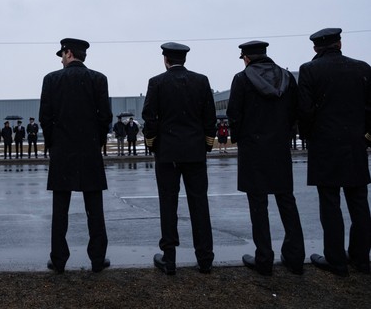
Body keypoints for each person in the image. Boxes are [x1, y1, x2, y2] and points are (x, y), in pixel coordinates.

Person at [227, 40, 305, 276]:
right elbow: (295, 112)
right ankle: (295, 257)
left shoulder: (242, 79)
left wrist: (242, 138)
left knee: (258, 205)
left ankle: (264, 258)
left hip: (253, 148)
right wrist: (285, 135)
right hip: (279, 147)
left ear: (246, 58)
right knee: (287, 201)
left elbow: (234, 115)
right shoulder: (286, 77)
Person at [298, 28, 371, 276]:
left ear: (316, 48)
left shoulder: (309, 70)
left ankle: (336, 260)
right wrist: (366, 137)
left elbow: (305, 112)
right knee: (359, 203)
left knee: (330, 205)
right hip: (356, 144)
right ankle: (361, 258)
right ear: (340, 43)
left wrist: (309, 136)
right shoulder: (362, 68)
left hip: (325, 145)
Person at [142, 42, 216, 275]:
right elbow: (210, 117)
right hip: (195, 152)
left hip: (167, 152)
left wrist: (153, 143)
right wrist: (205, 145)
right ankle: (205, 258)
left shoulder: (157, 83)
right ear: (184, 60)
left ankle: (170, 258)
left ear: (165, 59)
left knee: (168, 204)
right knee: (199, 204)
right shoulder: (201, 81)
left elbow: (149, 118)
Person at [39, 38, 112, 273]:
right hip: (89, 150)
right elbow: (105, 118)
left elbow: (45, 117)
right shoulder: (99, 79)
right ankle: (97, 259)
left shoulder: (51, 80)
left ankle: (59, 259)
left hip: (62, 151)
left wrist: (52, 144)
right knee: (95, 209)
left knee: (60, 210)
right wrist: (97, 142)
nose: (61, 59)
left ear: (69, 53)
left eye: (62, 54)